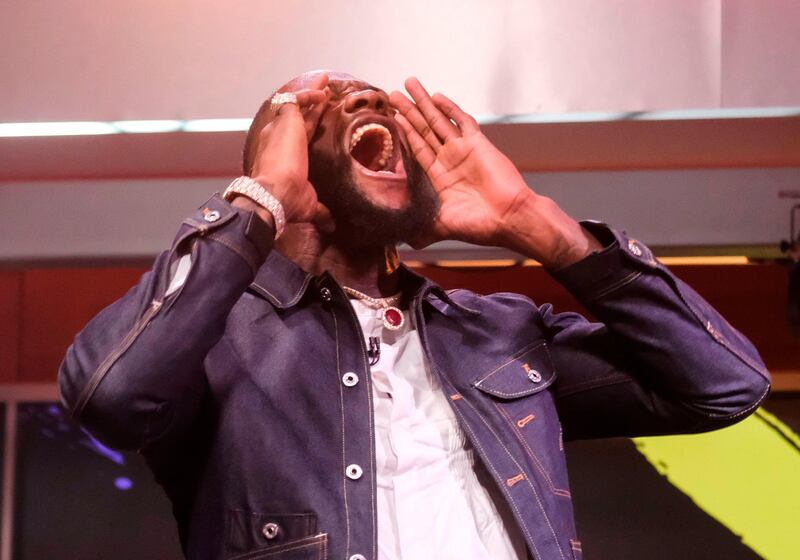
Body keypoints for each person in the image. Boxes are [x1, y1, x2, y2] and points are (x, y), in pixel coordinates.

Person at [58, 71, 770, 560]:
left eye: (375, 101)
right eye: (317, 109)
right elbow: (110, 396)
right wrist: (258, 202)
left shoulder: (499, 332)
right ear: (283, 163)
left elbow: (722, 385)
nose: (366, 98)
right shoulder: (216, 343)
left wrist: (536, 222)